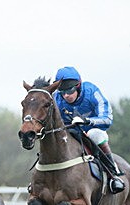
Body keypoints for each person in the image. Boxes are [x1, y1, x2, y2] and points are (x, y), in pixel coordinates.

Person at [53, 66, 125, 194]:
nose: (66, 96)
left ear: (79, 85)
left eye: (70, 91)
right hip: (69, 134)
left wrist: (88, 122)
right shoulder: (56, 97)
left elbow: (107, 119)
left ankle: (113, 175)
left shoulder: (92, 92)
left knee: (95, 135)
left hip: (92, 131)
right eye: (62, 92)